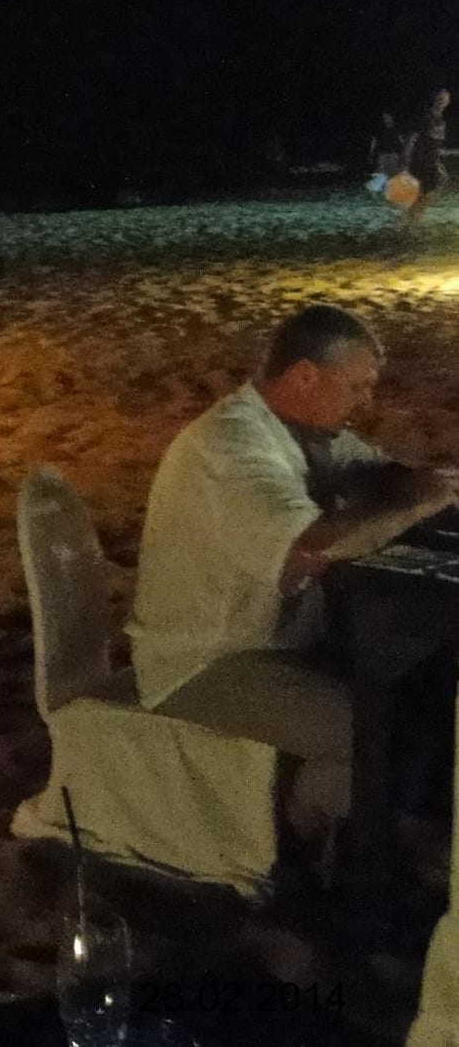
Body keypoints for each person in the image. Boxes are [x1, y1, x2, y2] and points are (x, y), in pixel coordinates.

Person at [127, 306, 457, 786]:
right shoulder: (231, 447)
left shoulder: (304, 431)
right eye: (356, 387)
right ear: (305, 376)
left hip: (277, 640)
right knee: (375, 733)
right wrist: (418, 501)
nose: (366, 402)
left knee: (423, 689)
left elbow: (376, 474)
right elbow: (309, 547)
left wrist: (427, 484)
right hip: (207, 662)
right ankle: (312, 826)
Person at [406, 89, 452, 229]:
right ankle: (413, 220)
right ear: (434, 99)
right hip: (421, 160)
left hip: (432, 159)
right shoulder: (427, 116)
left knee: (438, 184)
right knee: (425, 190)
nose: (442, 101)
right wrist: (406, 159)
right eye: (440, 98)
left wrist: (443, 155)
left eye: (445, 98)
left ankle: (414, 218)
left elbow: (436, 144)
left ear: (448, 101)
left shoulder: (441, 119)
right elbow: (412, 137)